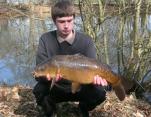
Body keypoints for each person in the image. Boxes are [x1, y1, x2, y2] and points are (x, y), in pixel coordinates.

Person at [33, 0, 108, 117]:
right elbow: (39, 71)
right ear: (54, 21)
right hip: (56, 89)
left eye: (69, 21)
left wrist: (97, 79)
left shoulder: (86, 41)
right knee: (39, 90)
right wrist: (46, 78)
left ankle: (83, 107)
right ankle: (51, 108)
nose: (66, 26)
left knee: (100, 93)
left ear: (74, 19)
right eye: (61, 22)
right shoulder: (45, 39)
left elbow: (93, 69)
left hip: (80, 88)